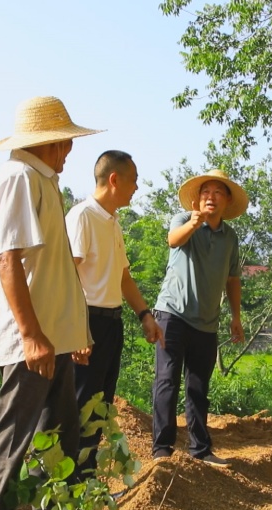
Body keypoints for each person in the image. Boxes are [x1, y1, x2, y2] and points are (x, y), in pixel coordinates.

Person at [0, 95, 103, 510]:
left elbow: (54, 271)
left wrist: (72, 332)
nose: (68, 152)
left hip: (53, 342)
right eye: (64, 142)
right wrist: (31, 335)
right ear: (46, 141)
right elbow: (8, 259)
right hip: (33, 345)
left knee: (58, 442)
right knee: (12, 444)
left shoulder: (41, 182)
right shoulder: (18, 178)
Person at [65, 150, 163, 478]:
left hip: (111, 323)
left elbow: (123, 278)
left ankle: (87, 488)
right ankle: (67, 496)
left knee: (99, 410)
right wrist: (77, 330)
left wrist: (145, 315)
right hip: (86, 324)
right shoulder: (82, 217)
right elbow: (68, 278)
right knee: (79, 412)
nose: (137, 187)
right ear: (114, 179)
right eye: (133, 180)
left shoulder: (112, 222)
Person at [151, 169, 248, 468]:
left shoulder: (230, 237)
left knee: (198, 387)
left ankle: (201, 449)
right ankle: (162, 450)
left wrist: (235, 316)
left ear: (227, 200)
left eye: (218, 192)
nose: (210, 196)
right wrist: (194, 223)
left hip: (207, 322)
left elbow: (233, 279)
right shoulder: (183, 220)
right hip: (172, 314)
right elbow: (172, 241)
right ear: (198, 197)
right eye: (205, 191)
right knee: (166, 380)